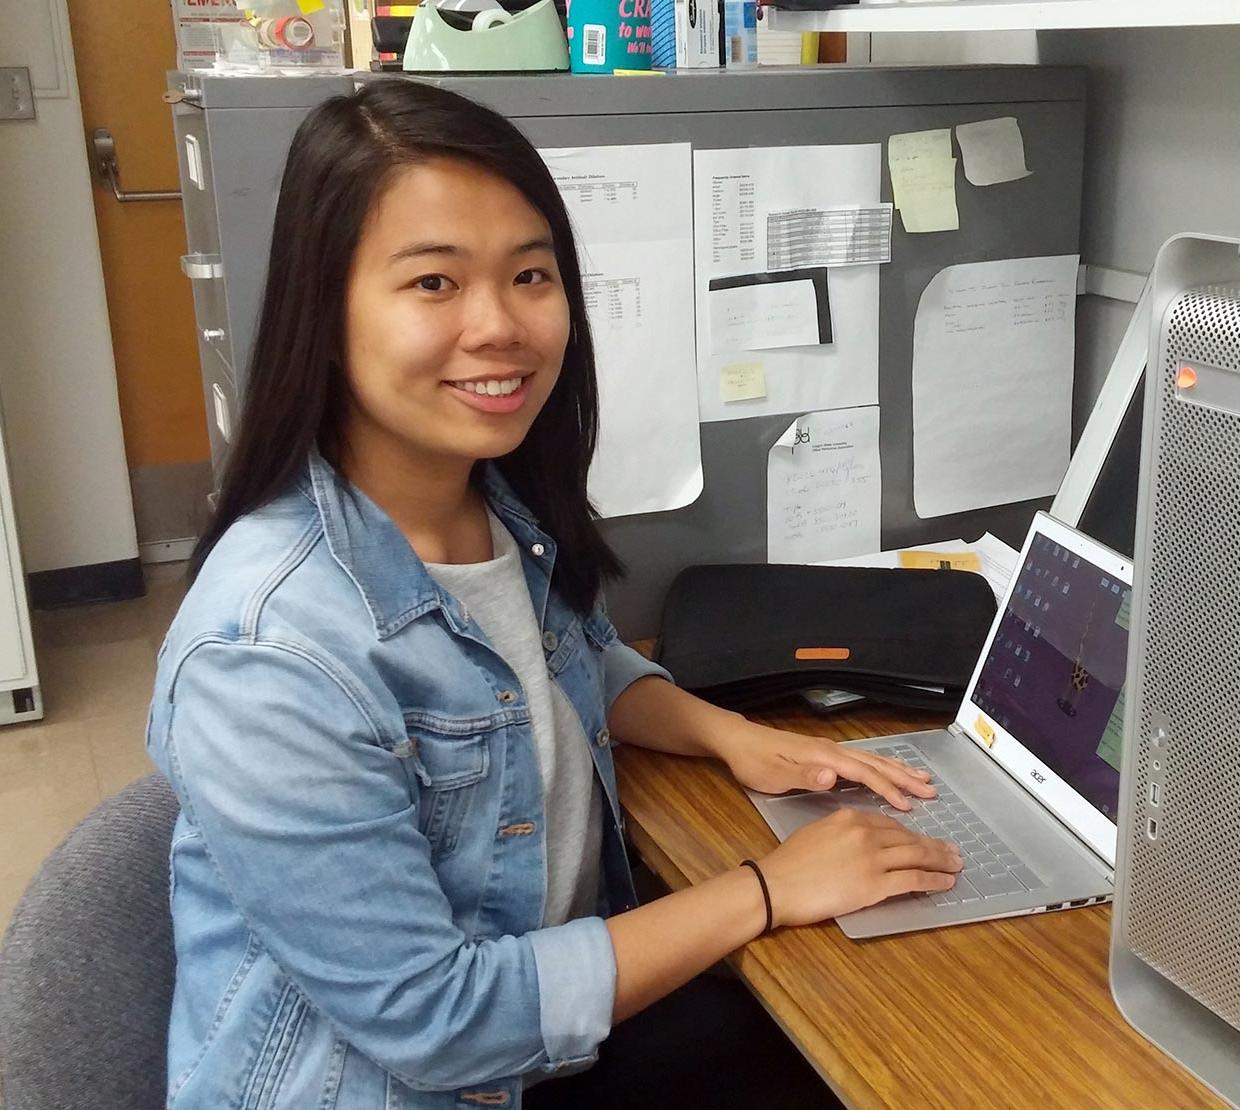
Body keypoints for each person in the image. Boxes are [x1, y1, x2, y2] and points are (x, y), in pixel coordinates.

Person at [147, 78, 961, 1110]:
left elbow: (568, 655)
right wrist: (764, 891)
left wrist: (723, 734)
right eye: (434, 284)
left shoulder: (487, 502)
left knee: (854, 1040)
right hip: (405, 1082)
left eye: (529, 274)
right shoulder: (268, 654)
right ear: (326, 307)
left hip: (535, 1044)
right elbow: (438, 1023)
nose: (501, 326)